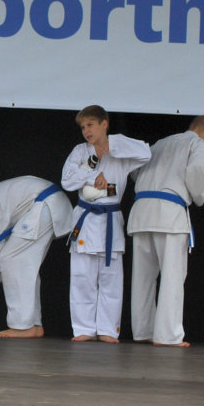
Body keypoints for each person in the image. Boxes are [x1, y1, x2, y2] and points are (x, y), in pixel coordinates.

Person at [127, 116, 204, 347]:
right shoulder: (199, 144)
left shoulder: (160, 143)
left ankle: (143, 330)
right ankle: (168, 335)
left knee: (143, 277)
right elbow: (197, 168)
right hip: (169, 211)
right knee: (172, 276)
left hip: (141, 209)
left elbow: (134, 170)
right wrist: (199, 196)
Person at [61, 105, 150, 342]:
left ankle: (109, 330)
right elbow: (67, 181)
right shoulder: (80, 151)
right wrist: (92, 174)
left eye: (90, 125)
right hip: (86, 218)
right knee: (82, 279)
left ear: (104, 124)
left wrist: (113, 145)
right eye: (83, 127)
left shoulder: (120, 153)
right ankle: (83, 329)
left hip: (111, 219)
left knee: (111, 280)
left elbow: (146, 153)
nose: (86, 131)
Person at [0, 175, 72, 338]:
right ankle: (34, 324)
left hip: (46, 203)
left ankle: (23, 326)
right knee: (24, 264)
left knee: (12, 259)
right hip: (50, 204)